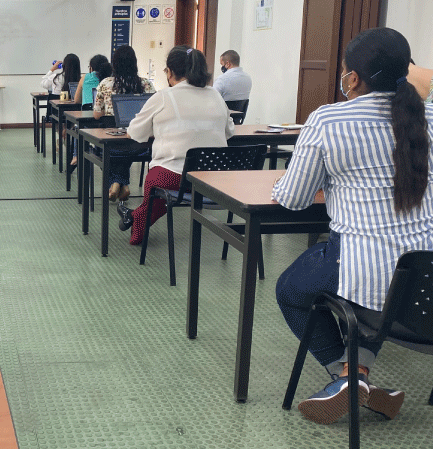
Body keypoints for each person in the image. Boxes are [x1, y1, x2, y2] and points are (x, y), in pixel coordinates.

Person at [273, 28, 433, 425]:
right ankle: (356, 378)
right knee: (361, 295)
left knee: (292, 290)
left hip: (365, 270)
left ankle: (346, 374)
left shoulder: (328, 119)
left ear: (352, 78)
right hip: (423, 284)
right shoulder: (428, 116)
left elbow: (293, 199)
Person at [117, 47, 234, 244]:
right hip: (215, 178)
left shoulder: (163, 97)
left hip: (176, 177)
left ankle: (136, 219)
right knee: (162, 186)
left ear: (170, 72)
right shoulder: (215, 95)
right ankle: (135, 217)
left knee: (157, 181)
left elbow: (135, 133)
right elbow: (229, 132)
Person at [93, 45, 155, 202]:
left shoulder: (105, 83)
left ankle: (116, 183)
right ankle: (122, 184)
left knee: (102, 151)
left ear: (114, 63)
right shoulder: (147, 84)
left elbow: (96, 114)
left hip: (111, 140)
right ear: (134, 63)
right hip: (140, 144)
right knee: (126, 149)